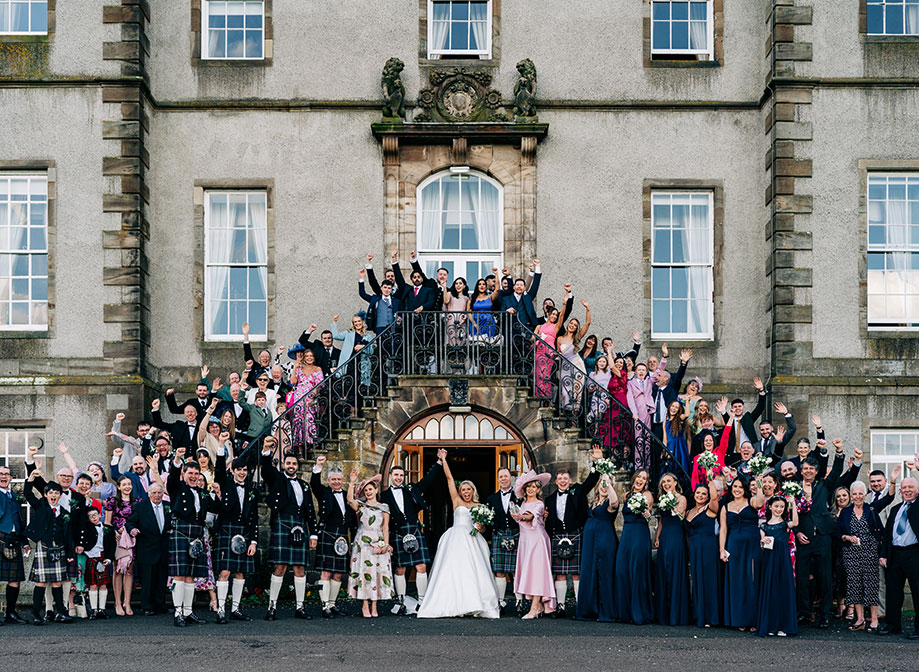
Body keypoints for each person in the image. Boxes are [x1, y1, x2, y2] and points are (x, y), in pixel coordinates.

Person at [417, 449, 500, 619]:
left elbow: (483, 528)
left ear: (473, 490)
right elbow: (449, 478)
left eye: (469, 489)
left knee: (473, 572)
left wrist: (480, 527)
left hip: (473, 540)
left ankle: (474, 603)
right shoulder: (456, 500)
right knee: (455, 571)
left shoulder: (480, 505)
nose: (466, 491)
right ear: (460, 491)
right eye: (463, 489)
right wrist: (443, 459)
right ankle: (454, 603)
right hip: (456, 539)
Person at [795, 438, 856, 629]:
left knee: (825, 578)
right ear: (801, 469)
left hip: (822, 537)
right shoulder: (794, 488)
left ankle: (825, 615)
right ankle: (804, 613)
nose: (808, 471)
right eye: (805, 469)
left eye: (811, 469)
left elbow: (837, 471)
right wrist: (796, 532)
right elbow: (790, 512)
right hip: (803, 538)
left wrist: (839, 452)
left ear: (815, 471)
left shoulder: (824, 485)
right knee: (803, 579)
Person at [544, 445, 602, 618]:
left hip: (575, 534)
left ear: (570, 480)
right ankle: (560, 607)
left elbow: (592, 480)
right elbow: (548, 521)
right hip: (558, 536)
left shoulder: (578, 491)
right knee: (560, 574)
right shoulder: (549, 499)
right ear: (556, 481)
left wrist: (597, 461)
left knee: (577, 573)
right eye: (560, 478)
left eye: (565, 478)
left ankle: (579, 606)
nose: (562, 481)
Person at [380, 459, 442, 614]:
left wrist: (439, 463)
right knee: (400, 569)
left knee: (421, 566)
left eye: (401, 475)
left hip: (414, 530)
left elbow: (427, 481)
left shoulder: (410, 489)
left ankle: (422, 601)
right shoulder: (384, 495)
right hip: (397, 532)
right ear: (390, 476)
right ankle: (400, 601)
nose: (399, 477)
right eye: (396, 475)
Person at [262, 449, 318, 621]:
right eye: (288, 463)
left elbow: (310, 510)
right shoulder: (278, 480)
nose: (291, 466)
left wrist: (313, 533)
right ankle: (272, 607)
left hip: (300, 527)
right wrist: (266, 452)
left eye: (294, 464)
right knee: (280, 567)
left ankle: (300, 607)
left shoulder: (304, 485)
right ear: (284, 465)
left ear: (297, 466)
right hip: (282, 524)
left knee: (300, 569)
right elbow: (266, 472)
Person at [166, 452, 217, 627]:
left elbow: (216, 508)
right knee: (180, 575)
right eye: (190, 473)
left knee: (191, 576)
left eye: (196, 474)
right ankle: (178, 613)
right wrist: (177, 460)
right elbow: (172, 476)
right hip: (181, 532)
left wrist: (217, 493)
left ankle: (188, 612)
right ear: (184, 474)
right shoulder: (177, 487)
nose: (194, 476)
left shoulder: (203, 493)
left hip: (196, 533)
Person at [213, 446, 259, 625]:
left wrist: (253, 541)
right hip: (227, 530)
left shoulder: (252, 489)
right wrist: (220, 447)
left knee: (240, 572)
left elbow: (254, 517)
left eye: (245, 470)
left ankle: (236, 609)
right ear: (232, 470)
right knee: (225, 572)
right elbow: (218, 469)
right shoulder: (225, 483)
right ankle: (221, 610)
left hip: (244, 532)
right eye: (239, 469)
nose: (242, 473)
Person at [24, 472, 74, 625]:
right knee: (41, 583)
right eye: (50, 493)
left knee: (58, 582)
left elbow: (68, 535)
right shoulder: (41, 507)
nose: (53, 495)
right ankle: (36, 614)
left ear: (60, 495)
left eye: (56, 493)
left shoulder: (65, 513)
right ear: (46, 495)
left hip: (59, 549)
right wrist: (31, 479)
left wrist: (70, 553)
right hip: (44, 547)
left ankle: (60, 612)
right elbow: (28, 494)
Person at [312, 454, 357, 618]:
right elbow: (314, 484)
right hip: (327, 534)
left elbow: (353, 518)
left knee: (338, 573)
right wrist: (318, 467)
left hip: (343, 536)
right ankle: (324, 606)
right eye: (333, 479)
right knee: (326, 572)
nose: (336, 482)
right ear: (329, 480)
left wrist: (353, 540)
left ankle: (332, 604)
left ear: (343, 480)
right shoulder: (323, 492)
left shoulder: (347, 495)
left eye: (339, 479)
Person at [346, 471, 394, 618]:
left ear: (376, 490)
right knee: (365, 573)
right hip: (363, 542)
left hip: (378, 540)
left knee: (377, 573)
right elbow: (349, 500)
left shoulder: (384, 507)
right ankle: (365, 605)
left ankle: (375, 605)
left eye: (370, 489)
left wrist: (386, 544)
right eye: (366, 490)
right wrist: (352, 482)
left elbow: (386, 527)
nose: (368, 492)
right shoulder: (360, 506)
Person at [837, 481, 884, 632]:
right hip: (851, 552)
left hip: (870, 551)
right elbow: (837, 531)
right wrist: (846, 537)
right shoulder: (845, 512)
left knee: (871, 585)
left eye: (860, 493)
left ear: (865, 494)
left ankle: (874, 620)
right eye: (854, 494)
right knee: (855, 585)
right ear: (851, 495)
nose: (857, 496)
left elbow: (880, 531)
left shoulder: (871, 509)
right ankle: (860, 619)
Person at [511, 469, 556, 619]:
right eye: (528, 486)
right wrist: (518, 515)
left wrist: (521, 517)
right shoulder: (522, 503)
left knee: (537, 573)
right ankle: (539, 606)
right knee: (529, 572)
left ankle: (534, 608)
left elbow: (531, 516)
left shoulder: (539, 504)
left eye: (534, 487)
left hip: (537, 541)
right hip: (525, 541)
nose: (531, 489)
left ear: (538, 489)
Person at [879, 477, 919, 639]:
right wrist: (883, 554)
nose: (907, 490)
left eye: (910, 487)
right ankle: (893, 625)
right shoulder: (895, 509)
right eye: (904, 488)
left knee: (918, 591)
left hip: (914, 553)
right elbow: (888, 535)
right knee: (893, 592)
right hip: (895, 554)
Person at [575, 474, 619, 622]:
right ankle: (589, 610)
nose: (604, 486)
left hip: (604, 540)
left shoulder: (609, 502)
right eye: (602, 483)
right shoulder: (593, 502)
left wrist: (609, 483)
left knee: (604, 573)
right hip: (590, 542)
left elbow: (614, 503)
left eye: (606, 484)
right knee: (590, 571)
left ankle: (605, 611)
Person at [755, 494, 799, 637]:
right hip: (769, 561)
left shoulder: (786, 524)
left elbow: (796, 523)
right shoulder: (764, 526)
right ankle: (771, 625)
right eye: (776, 506)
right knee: (771, 591)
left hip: (783, 561)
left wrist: (793, 504)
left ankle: (784, 626)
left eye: (781, 507)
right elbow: (761, 545)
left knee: (783, 591)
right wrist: (764, 542)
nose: (779, 509)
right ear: (770, 507)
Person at [614, 469, 654, 624]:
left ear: (646, 482)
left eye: (644, 478)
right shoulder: (626, 495)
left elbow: (648, 514)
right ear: (634, 478)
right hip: (627, 534)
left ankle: (639, 612)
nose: (640, 480)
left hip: (639, 534)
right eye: (639, 476)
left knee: (637, 570)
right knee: (621, 570)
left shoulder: (647, 495)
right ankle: (625, 612)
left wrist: (646, 512)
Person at [126, 480, 171, 616]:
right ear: (149, 494)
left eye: (159, 493)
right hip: (146, 548)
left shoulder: (168, 506)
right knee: (147, 579)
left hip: (163, 548)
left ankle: (160, 604)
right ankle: (147, 606)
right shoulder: (140, 507)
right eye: (154, 493)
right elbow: (130, 522)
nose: (157, 495)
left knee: (161, 579)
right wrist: (132, 529)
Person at [719, 477, 758, 631]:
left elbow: (761, 502)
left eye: (740, 487)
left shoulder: (752, 502)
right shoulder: (726, 507)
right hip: (734, 545)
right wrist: (722, 549)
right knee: (737, 581)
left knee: (752, 579)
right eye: (735, 486)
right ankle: (739, 619)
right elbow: (723, 529)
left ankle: (753, 619)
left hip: (752, 544)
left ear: (745, 489)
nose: (737, 489)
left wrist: (759, 481)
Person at [685, 478, 722, 628]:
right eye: (698, 493)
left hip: (708, 547)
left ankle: (711, 617)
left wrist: (710, 480)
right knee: (698, 580)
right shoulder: (688, 511)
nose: (700, 495)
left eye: (704, 494)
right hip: (694, 548)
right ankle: (699, 615)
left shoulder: (711, 509)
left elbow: (714, 497)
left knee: (709, 580)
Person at [486, 467, 523, 615]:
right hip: (499, 535)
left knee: (516, 572)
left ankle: (519, 602)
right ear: (498, 479)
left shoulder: (519, 496)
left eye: (506, 476)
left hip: (516, 534)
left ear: (510, 478)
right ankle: (500, 602)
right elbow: (489, 520)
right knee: (499, 572)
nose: (503, 479)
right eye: (501, 476)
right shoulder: (491, 498)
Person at [654, 473, 689, 625]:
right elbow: (661, 520)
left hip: (676, 534)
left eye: (669, 481)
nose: (666, 484)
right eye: (663, 482)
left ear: (675, 482)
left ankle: (676, 613)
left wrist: (670, 501)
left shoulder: (681, 498)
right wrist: (657, 537)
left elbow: (679, 514)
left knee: (674, 569)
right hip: (665, 534)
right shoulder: (661, 498)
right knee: (663, 570)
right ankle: (664, 613)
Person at [0, 464, 29, 624]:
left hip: (14, 540)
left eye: (7, 474)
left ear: (11, 478)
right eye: (1, 474)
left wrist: (24, 541)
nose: (4, 477)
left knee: (15, 579)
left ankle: (10, 613)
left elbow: (19, 520)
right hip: (0, 538)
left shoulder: (13, 496)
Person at [103, 475, 136, 616]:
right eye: (124, 484)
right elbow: (107, 523)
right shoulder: (112, 502)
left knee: (129, 569)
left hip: (131, 540)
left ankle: (127, 602)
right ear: (119, 487)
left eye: (129, 484)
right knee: (117, 569)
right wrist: (115, 532)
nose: (127, 487)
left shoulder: (137, 502)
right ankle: (117, 602)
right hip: (117, 539)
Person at [76, 506, 116, 620]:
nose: (93, 518)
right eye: (90, 516)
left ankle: (102, 610)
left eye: (95, 515)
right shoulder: (86, 529)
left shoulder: (108, 528)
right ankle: (94, 610)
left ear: (100, 515)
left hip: (104, 557)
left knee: (103, 585)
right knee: (93, 585)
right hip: (92, 558)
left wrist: (109, 559)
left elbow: (112, 545)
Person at [555, 301, 591, 415]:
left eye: (575, 325)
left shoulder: (577, 337)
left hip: (577, 364)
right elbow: (558, 352)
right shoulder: (560, 338)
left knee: (576, 390)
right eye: (571, 323)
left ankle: (574, 417)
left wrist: (587, 308)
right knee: (565, 391)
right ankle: (565, 413)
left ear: (576, 328)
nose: (572, 326)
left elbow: (588, 323)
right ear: (568, 324)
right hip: (565, 366)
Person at [719, 377, 766, 461]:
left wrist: (761, 390)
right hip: (733, 454)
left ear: (743, 408)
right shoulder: (730, 420)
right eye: (735, 407)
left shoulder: (748, 418)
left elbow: (760, 407)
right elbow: (727, 425)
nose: (737, 408)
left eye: (739, 406)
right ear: (732, 408)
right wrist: (723, 411)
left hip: (748, 453)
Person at [289, 345, 324, 455]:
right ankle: (299, 449)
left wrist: (314, 394)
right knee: (298, 421)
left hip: (310, 397)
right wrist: (295, 367)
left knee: (310, 419)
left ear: (313, 358)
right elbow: (293, 382)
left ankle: (310, 445)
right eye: (307, 356)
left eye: (311, 356)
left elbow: (320, 384)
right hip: (299, 397)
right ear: (304, 358)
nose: (309, 358)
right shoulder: (299, 369)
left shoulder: (317, 369)